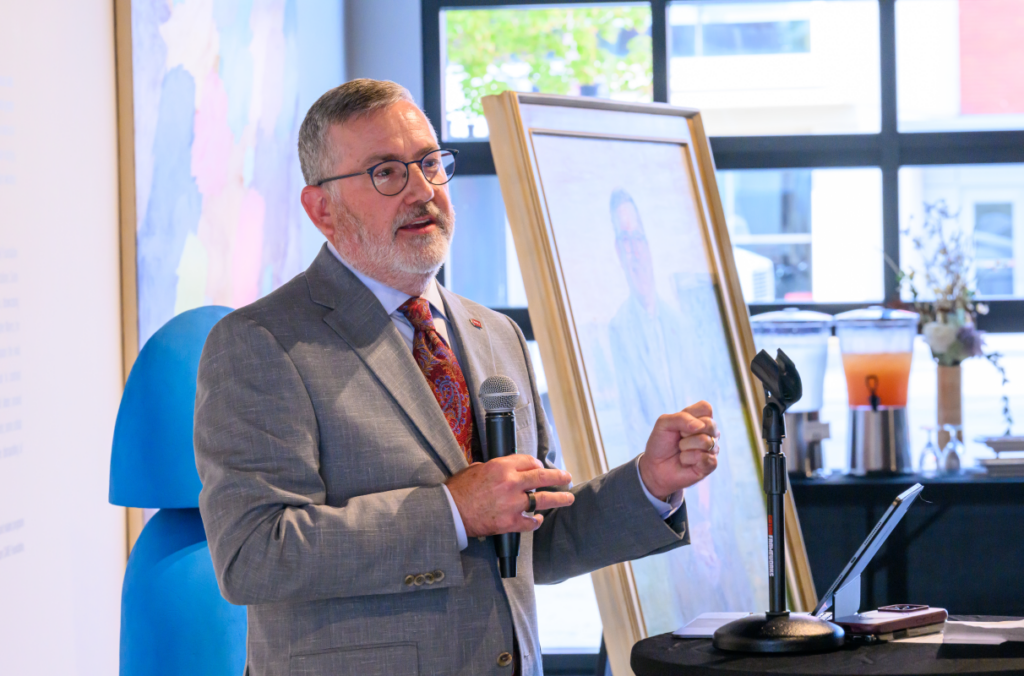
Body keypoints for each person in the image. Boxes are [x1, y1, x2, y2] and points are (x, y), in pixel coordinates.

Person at [193, 79, 721, 676]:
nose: (422, 190)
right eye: (386, 172)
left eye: (428, 163)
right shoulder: (261, 343)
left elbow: (531, 540)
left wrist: (648, 484)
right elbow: (254, 556)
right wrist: (450, 511)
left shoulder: (495, 334)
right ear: (322, 210)